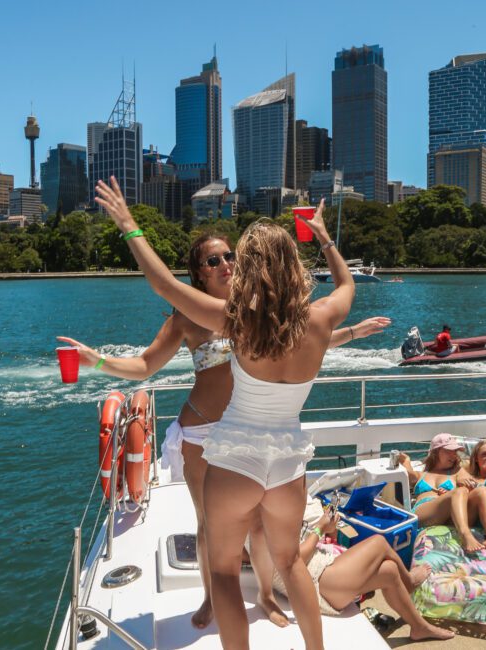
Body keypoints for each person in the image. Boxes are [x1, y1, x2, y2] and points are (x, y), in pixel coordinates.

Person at [58, 232, 389, 631]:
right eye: (213, 261)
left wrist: (353, 333)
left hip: (247, 436)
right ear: (198, 272)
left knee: (249, 542)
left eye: (230, 256)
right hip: (213, 433)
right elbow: (146, 366)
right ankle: (209, 599)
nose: (225, 265)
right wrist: (98, 362)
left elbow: (300, 340)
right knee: (215, 531)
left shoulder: (248, 314)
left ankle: (265, 595)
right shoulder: (197, 317)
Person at [95, 176, 354, 650]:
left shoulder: (237, 321)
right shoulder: (322, 319)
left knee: (224, 573)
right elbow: (346, 283)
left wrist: (130, 225)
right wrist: (323, 236)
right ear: (293, 265)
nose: (226, 265)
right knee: (290, 563)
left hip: (235, 455)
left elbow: (163, 283)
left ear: (249, 267)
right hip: (287, 459)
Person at [246, 500, 454, 642]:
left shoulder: (259, 518)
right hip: (318, 584)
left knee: (389, 571)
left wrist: (326, 528)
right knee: (379, 543)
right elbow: (292, 560)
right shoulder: (260, 524)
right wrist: (320, 528)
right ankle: (409, 580)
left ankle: (418, 627)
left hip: (322, 572)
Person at [399, 433, 486, 556]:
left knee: (481, 491)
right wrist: (406, 460)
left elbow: (473, 485)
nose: (454, 455)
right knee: (459, 492)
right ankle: (465, 535)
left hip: (452, 516)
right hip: (424, 513)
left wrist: (460, 485)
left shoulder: (458, 471)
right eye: (449, 451)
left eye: (455, 451)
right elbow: (408, 474)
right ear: (436, 451)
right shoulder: (421, 475)